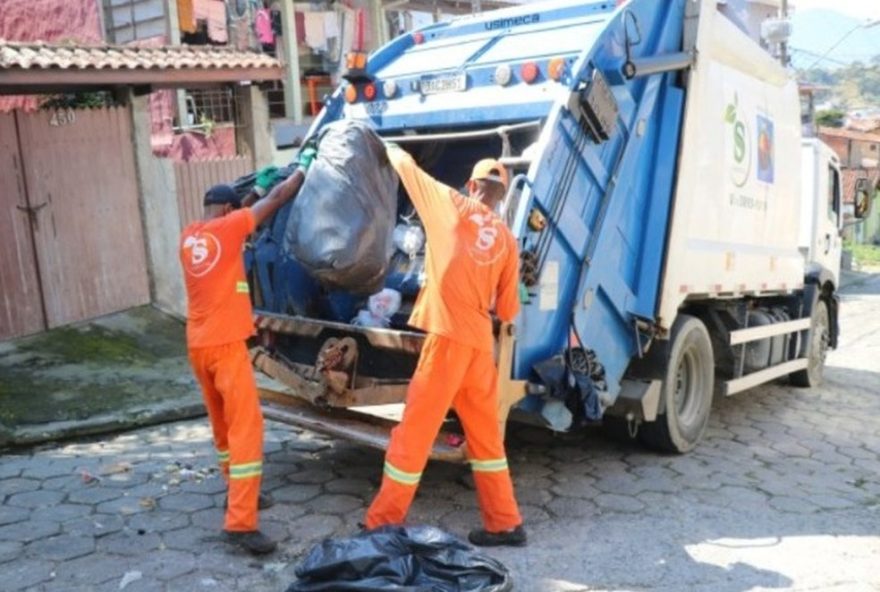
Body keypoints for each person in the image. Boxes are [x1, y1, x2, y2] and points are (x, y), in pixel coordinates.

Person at [364, 145, 527, 547]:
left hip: (447, 342)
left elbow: (408, 168)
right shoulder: (507, 241)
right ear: (502, 197)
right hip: (477, 349)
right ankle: (505, 523)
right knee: (487, 440)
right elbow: (507, 311)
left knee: (414, 434)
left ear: (472, 185)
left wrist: (382, 142)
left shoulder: (450, 204)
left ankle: (383, 523)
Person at [179, 148, 315, 555]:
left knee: (222, 428)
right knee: (246, 429)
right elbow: (273, 205)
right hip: (224, 347)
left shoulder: (190, 236)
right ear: (227, 210)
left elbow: (244, 214)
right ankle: (240, 523)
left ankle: (236, 491)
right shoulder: (228, 229)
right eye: (236, 211)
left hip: (198, 346)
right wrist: (300, 173)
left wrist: (252, 191)